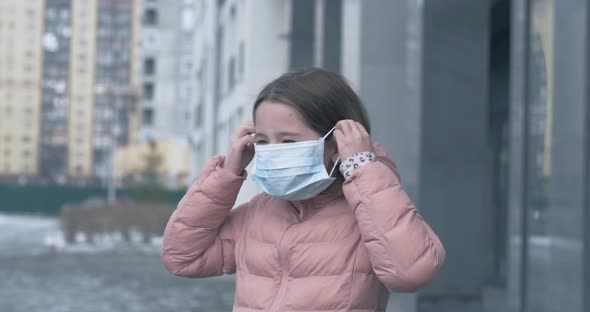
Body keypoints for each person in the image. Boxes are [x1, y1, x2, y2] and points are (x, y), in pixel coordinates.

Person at [161, 68, 446, 311]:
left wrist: (364, 169)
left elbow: (411, 273)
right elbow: (182, 257)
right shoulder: (257, 215)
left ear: (336, 144)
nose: (273, 152)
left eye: (288, 142)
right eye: (262, 141)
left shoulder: (369, 213)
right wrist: (226, 175)